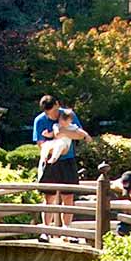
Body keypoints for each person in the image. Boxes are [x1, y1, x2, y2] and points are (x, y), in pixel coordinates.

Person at [32, 95, 91, 243]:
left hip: (67, 160)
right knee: (49, 197)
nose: (51, 116)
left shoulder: (67, 115)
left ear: (57, 105)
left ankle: (67, 230)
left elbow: (79, 134)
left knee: (68, 196)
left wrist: (62, 134)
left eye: (53, 112)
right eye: (48, 114)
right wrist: (57, 142)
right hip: (51, 159)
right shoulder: (40, 120)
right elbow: (41, 142)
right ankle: (46, 230)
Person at [37, 109, 91, 181]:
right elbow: (52, 134)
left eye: (65, 121)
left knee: (60, 145)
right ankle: (44, 157)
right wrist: (46, 134)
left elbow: (80, 132)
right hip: (55, 142)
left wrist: (86, 136)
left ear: (70, 121)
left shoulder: (72, 127)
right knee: (46, 145)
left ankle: (54, 158)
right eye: (61, 120)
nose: (63, 122)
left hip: (64, 144)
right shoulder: (56, 125)